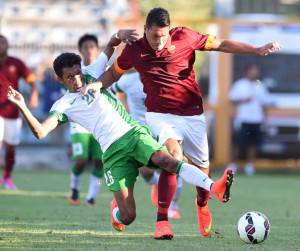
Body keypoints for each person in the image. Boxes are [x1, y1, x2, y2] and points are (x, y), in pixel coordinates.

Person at [83, 7, 280, 239]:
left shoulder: (185, 37)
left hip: (193, 114)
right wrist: (96, 85)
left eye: (164, 35)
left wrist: (256, 50)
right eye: (155, 35)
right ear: (145, 29)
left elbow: (221, 44)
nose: (160, 41)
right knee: (173, 158)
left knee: (202, 168)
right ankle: (162, 221)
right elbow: (114, 74)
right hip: (159, 115)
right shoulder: (134, 49)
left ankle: (202, 204)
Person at [6, 51, 234, 238]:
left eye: (78, 73)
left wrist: (119, 35)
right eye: (70, 77)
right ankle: (116, 211)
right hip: (113, 153)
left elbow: (111, 47)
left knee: (167, 161)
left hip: (133, 133)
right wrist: (22, 106)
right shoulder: (63, 104)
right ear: (59, 79)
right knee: (128, 217)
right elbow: (41, 131)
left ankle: (214, 187)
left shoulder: (93, 74)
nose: (77, 80)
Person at [113, 70, 183, 219]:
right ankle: (156, 185)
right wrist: (121, 109)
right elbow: (113, 89)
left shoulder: (162, 74)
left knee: (174, 164)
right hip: (140, 133)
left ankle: (173, 205)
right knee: (145, 171)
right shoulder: (127, 80)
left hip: (163, 129)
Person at [68, 34, 107, 207]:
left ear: (97, 49)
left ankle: (92, 195)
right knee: (81, 160)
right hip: (80, 124)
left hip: (100, 124)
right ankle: (74, 188)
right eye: (85, 47)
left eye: (92, 46)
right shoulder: (76, 70)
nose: (89, 50)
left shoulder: (104, 69)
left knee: (100, 162)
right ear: (80, 50)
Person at [0, 34, 39, 190]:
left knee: (11, 147)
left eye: (2, 42)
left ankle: (7, 178)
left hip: (12, 112)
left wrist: (34, 93)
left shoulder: (16, 63)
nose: (0, 45)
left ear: (7, 45)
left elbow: (31, 80)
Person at [229, 64, 274, 175]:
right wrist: (243, 100)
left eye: (256, 71)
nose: (255, 73)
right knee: (238, 143)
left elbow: (265, 103)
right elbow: (231, 99)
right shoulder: (240, 84)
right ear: (247, 72)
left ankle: (250, 165)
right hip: (243, 118)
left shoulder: (260, 85)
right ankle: (233, 164)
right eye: (253, 71)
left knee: (253, 143)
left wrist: (265, 120)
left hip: (256, 119)